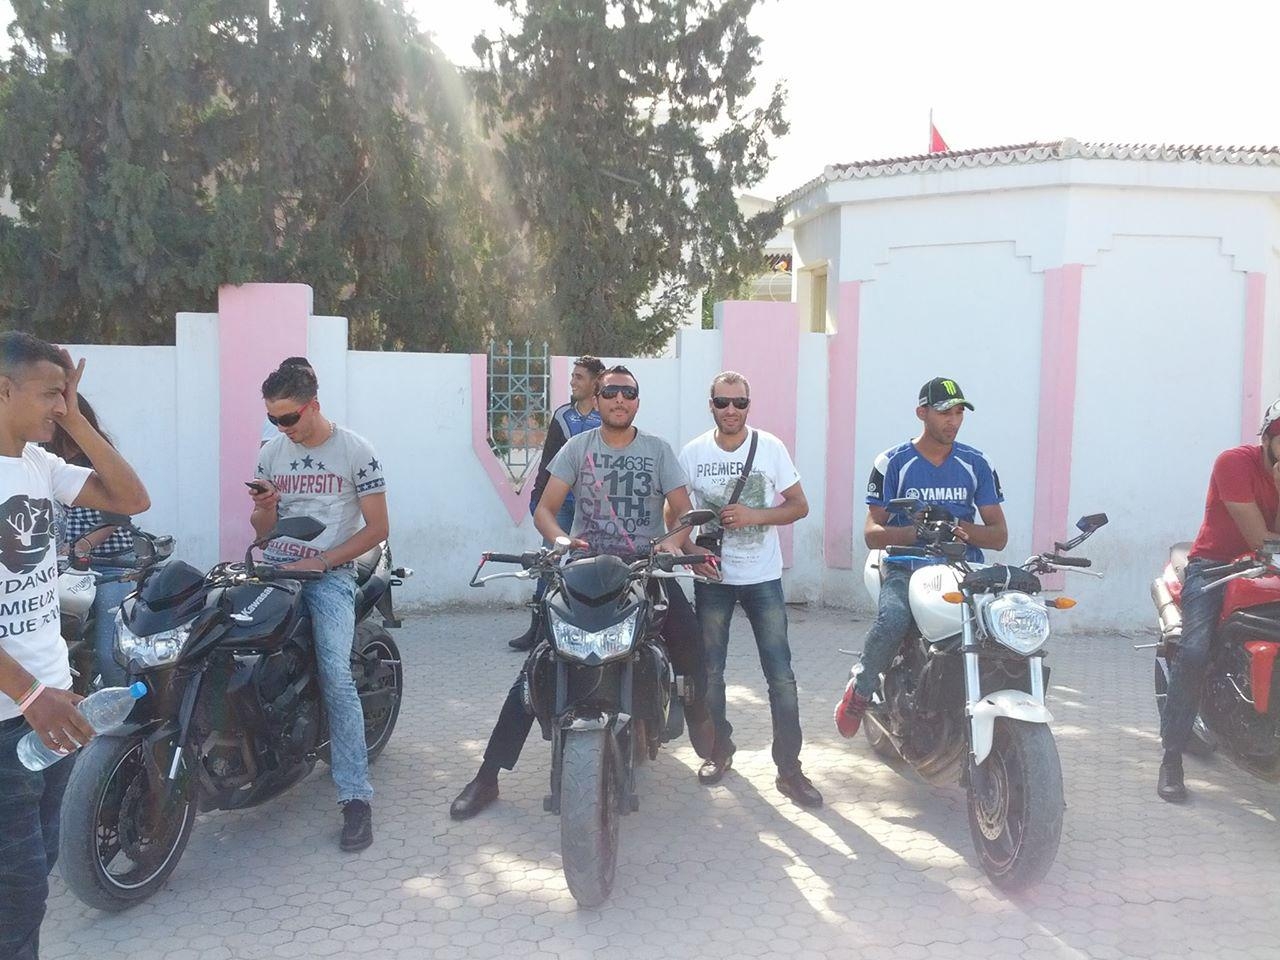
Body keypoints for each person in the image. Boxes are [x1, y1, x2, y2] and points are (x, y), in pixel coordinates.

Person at [450, 365, 712, 819]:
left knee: (691, 645)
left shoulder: (658, 450)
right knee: (537, 665)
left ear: (637, 400)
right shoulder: (578, 447)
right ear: (598, 397)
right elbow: (545, 510)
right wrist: (561, 540)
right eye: (611, 392)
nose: (619, 400)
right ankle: (487, 776)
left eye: (628, 392)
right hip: (584, 572)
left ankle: (709, 741)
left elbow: (683, 514)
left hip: (644, 570)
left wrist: (672, 546)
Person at [0, 332, 149, 960]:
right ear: (3, 390)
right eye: (48, 394)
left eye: (65, 395)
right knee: (18, 897)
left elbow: (132, 499)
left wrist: (76, 417)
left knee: (33, 876)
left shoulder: (40, 465)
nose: (59, 407)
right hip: (15, 715)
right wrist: (30, 695)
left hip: (53, 709)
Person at [250, 362, 389, 851]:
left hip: (330, 575)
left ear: (313, 405)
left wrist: (323, 561)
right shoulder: (271, 453)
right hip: (274, 569)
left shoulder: (356, 451)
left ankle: (355, 798)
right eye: (273, 419)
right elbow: (262, 531)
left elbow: (378, 529)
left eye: (288, 417)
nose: (281, 427)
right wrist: (266, 507)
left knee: (336, 676)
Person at [677, 371, 823, 808]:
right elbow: (675, 513)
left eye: (739, 403)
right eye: (723, 402)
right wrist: (691, 552)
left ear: (748, 406)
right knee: (711, 674)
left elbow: (799, 505)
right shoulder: (693, 453)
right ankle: (719, 752)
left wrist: (755, 516)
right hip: (714, 579)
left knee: (781, 676)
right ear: (711, 405)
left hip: (763, 578)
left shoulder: (770, 448)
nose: (731, 411)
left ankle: (790, 770)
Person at [835, 377, 1007, 737]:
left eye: (959, 413)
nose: (953, 421)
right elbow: (872, 533)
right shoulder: (893, 462)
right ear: (922, 413)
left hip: (961, 568)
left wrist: (958, 528)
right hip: (906, 566)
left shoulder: (976, 463)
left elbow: (998, 536)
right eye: (945, 412)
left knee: (993, 629)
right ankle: (861, 689)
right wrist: (917, 532)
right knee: (893, 620)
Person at [1157, 399, 1280, 802]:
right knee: (1194, 651)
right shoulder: (1234, 463)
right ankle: (1171, 758)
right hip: (1215, 565)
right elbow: (1262, 540)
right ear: (1267, 438)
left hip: (1270, 571)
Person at [509, 355, 604, 650]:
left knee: (592, 565)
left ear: (596, 382)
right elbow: (548, 461)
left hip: (595, 508)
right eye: (573, 376)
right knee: (548, 562)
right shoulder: (563, 416)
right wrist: (538, 498)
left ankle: (589, 627)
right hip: (561, 504)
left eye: (579, 377)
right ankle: (538, 629)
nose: (573, 382)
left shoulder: (609, 414)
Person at [43, 395, 137, 687]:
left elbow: (121, 514)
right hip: (64, 569)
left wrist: (82, 545)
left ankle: (123, 706)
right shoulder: (42, 459)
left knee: (111, 653)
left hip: (111, 565)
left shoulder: (100, 455)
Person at [260, 356, 313, 447]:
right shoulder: (277, 417)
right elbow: (268, 451)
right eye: (303, 380)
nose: (310, 385)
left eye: (312, 380)